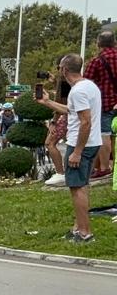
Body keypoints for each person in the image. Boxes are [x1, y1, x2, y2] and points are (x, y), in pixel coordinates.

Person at [37, 53, 101, 242]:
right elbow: (70, 111)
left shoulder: (78, 91)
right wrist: (48, 102)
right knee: (83, 185)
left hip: (80, 145)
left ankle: (84, 233)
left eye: (59, 68)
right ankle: (78, 227)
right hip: (93, 142)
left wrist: (77, 152)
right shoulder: (89, 87)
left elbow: (85, 122)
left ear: (64, 69)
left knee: (76, 187)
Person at [82, 30, 117, 179]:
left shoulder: (97, 61)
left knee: (104, 134)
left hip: (106, 104)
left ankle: (105, 167)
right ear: (114, 43)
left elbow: (85, 82)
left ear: (98, 44)